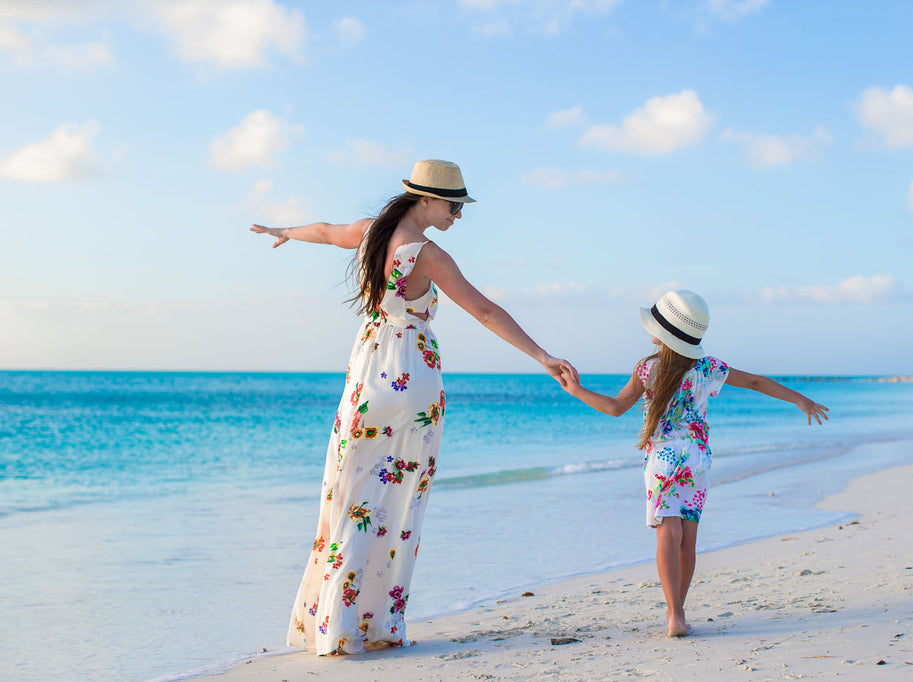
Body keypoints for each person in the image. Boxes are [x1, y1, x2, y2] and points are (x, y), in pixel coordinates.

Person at [251, 159, 575, 655]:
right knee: (395, 502)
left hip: (366, 372)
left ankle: (333, 624)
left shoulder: (370, 233)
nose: (458, 215)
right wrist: (543, 355)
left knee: (350, 496)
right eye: (453, 205)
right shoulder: (427, 254)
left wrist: (283, 231)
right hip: (411, 380)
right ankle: (373, 624)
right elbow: (485, 310)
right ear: (424, 199)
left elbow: (322, 230)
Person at [558, 289, 828, 638]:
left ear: (663, 333)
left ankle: (674, 614)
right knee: (688, 539)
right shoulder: (708, 368)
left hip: (662, 459)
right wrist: (800, 400)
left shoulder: (648, 368)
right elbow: (757, 382)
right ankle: (679, 612)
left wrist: (575, 390)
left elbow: (614, 407)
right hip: (697, 458)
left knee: (666, 535)